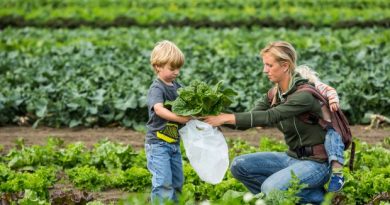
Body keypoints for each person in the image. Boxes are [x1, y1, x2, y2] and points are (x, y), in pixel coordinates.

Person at [204, 41, 331, 204]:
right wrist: (212, 116)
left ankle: (322, 200)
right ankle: (296, 198)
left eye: (269, 65)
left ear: (285, 66)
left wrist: (224, 118)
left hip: (317, 164)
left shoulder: (304, 96)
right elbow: (251, 118)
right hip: (292, 158)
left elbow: (270, 116)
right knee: (239, 165)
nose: (265, 70)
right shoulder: (274, 94)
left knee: (271, 188)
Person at [145, 40, 191, 204]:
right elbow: (158, 109)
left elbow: (188, 106)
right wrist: (180, 119)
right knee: (163, 183)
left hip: (173, 143)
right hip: (158, 144)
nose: (177, 72)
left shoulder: (177, 86)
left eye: (178, 68)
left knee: (177, 182)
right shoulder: (157, 88)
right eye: (172, 68)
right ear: (158, 66)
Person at [296, 65, 345, 192]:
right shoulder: (297, 95)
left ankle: (337, 175)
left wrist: (333, 101)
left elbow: (331, 90)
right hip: (316, 130)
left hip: (329, 127)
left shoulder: (317, 86)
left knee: (332, 141)